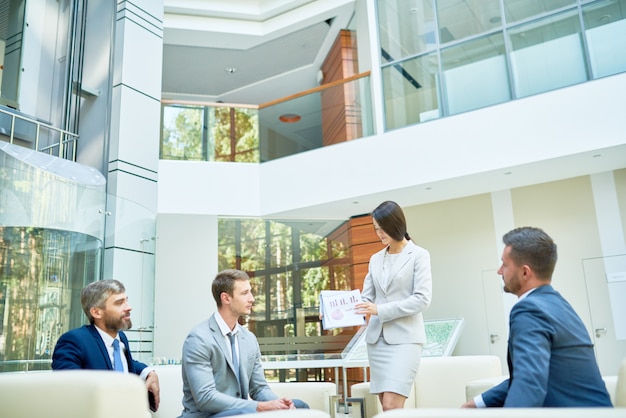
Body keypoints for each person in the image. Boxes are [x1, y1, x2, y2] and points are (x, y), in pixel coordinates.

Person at [462, 227, 612, 408]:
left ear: (525, 272)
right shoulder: (558, 304)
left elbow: (529, 383)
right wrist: (477, 403)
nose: (499, 271)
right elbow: (533, 373)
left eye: (505, 264)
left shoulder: (529, 310)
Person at [179, 269, 309, 417]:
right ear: (226, 298)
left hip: (241, 413)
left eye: (251, 292)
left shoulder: (249, 339)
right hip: (207, 415)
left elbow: (259, 388)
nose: (252, 298)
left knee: (299, 406)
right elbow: (206, 398)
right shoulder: (199, 339)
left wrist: (278, 404)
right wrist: (259, 407)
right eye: (245, 293)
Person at [354, 201, 432, 411]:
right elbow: (366, 299)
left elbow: (422, 299)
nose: (379, 234)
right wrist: (337, 312)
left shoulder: (419, 255)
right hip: (377, 342)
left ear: (396, 225)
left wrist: (380, 310)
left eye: (383, 228)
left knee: (391, 404)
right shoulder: (375, 259)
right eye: (376, 229)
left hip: (406, 340)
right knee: (387, 408)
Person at [52, 279, 160, 411]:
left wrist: (148, 372)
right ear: (97, 312)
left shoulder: (121, 339)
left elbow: (125, 363)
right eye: (119, 303)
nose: (129, 307)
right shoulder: (74, 341)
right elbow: (68, 388)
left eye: (126, 300)